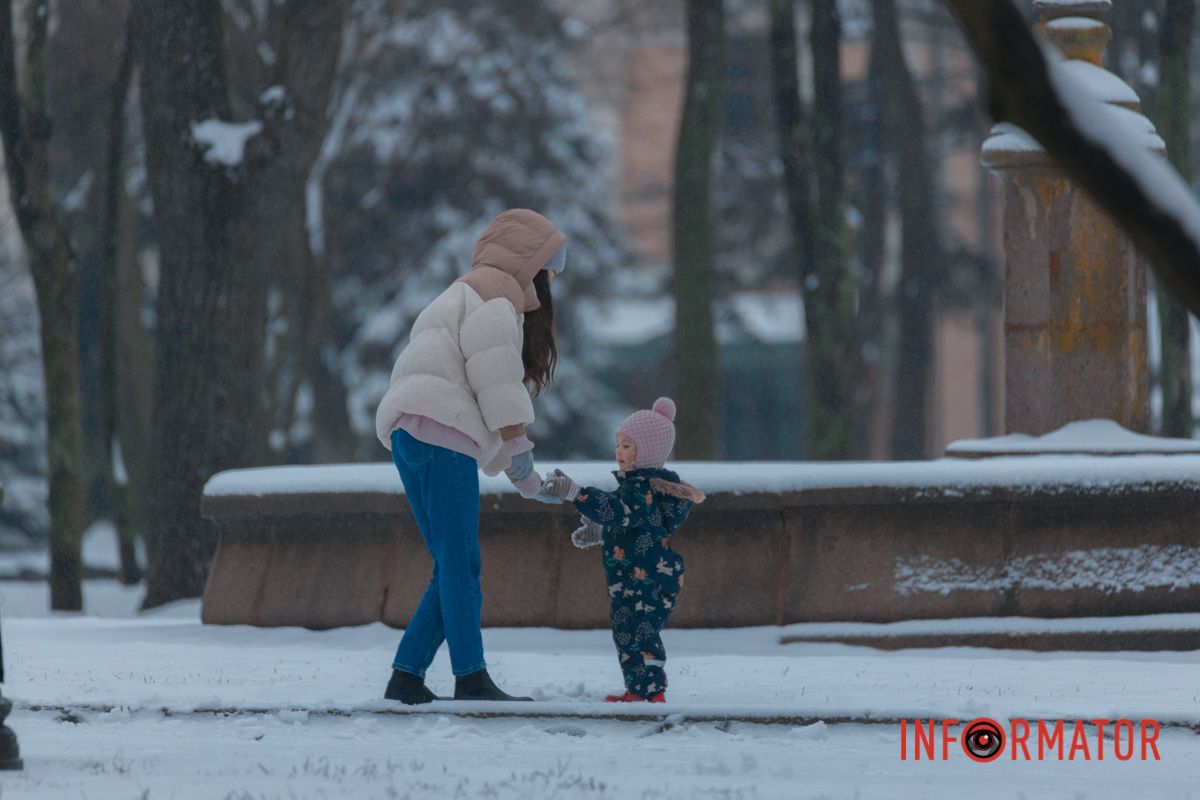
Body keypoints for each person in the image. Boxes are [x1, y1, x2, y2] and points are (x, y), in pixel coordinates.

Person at [375, 209, 565, 704]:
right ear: (527, 261)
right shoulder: (495, 297)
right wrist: (518, 448)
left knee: (452, 563)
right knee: (460, 567)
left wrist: (518, 473)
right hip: (441, 437)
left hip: (412, 435)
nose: (551, 278)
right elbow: (494, 377)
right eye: (549, 265)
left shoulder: (460, 293)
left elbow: (463, 391)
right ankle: (471, 677)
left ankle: (406, 677)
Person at [540, 397, 705, 702]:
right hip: (637, 576)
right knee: (631, 632)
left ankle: (650, 692)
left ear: (648, 451)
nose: (619, 451)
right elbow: (634, 525)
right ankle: (639, 690)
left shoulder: (642, 489)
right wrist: (602, 532)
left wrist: (576, 493)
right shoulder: (644, 488)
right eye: (618, 444)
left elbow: (618, 510)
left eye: (627, 445)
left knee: (639, 632)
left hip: (644, 577)